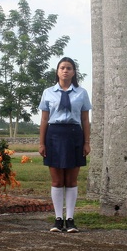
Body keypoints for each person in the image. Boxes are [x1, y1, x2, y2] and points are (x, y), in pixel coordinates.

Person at [38, 57, 91, 233]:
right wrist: (41, 143)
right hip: (54, 135)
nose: (65, 70)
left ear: (74, 72)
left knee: (71, 180)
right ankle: (58, 219)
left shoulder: (81, 93)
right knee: (57, 180)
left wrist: (87, 142)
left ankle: (70, 219)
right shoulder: (48, 92)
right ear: (57, 71)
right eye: (62, 68)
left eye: (69, 68)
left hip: (75, 134)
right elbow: (44, 119)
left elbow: (85, 119)